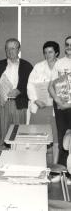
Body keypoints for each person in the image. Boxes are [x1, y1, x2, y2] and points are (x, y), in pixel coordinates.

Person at [0, 38, 33, 149]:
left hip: (18, 104)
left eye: (13, 48)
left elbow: (31, 85)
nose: (10, 51)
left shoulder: (26, 65)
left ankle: (17, 163)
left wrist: (19, 90)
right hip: (2, 104)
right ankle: (1, 163)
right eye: (7, 49)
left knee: (18, 136)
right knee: (3, 138)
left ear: (18, 50)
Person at [27, 41, 60, 164]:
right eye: (45, 52)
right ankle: (37, 166)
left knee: (57, 140)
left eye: (50, 52)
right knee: (37, 139)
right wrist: (35, 100)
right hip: (40, 108)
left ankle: (55, 168)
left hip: (56, 110)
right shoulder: (38, 67)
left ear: (56, 52)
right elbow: (30, 85)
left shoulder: (62, 66)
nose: (48, 54)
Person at [49, 36, 71, 167]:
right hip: (60, 105)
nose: (69, 47)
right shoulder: (59, 63)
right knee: (62, 137)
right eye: (67, 44)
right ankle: (62, 169)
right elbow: (50, 86)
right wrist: (58, 100)